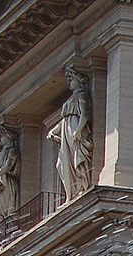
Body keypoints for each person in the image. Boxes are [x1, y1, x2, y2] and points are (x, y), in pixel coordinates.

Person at [48, 65, 92, 202]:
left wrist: (78, 132)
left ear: (79, 80)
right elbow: (64, 120)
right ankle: (70, 194)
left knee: (76, 159)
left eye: (71, 79)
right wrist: (53, 131)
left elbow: (85, 114)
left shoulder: (82, 95)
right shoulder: (71, 99)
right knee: (61, 164)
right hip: (67, 130)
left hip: (74, 131)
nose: (68, 82)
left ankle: (79, 187)